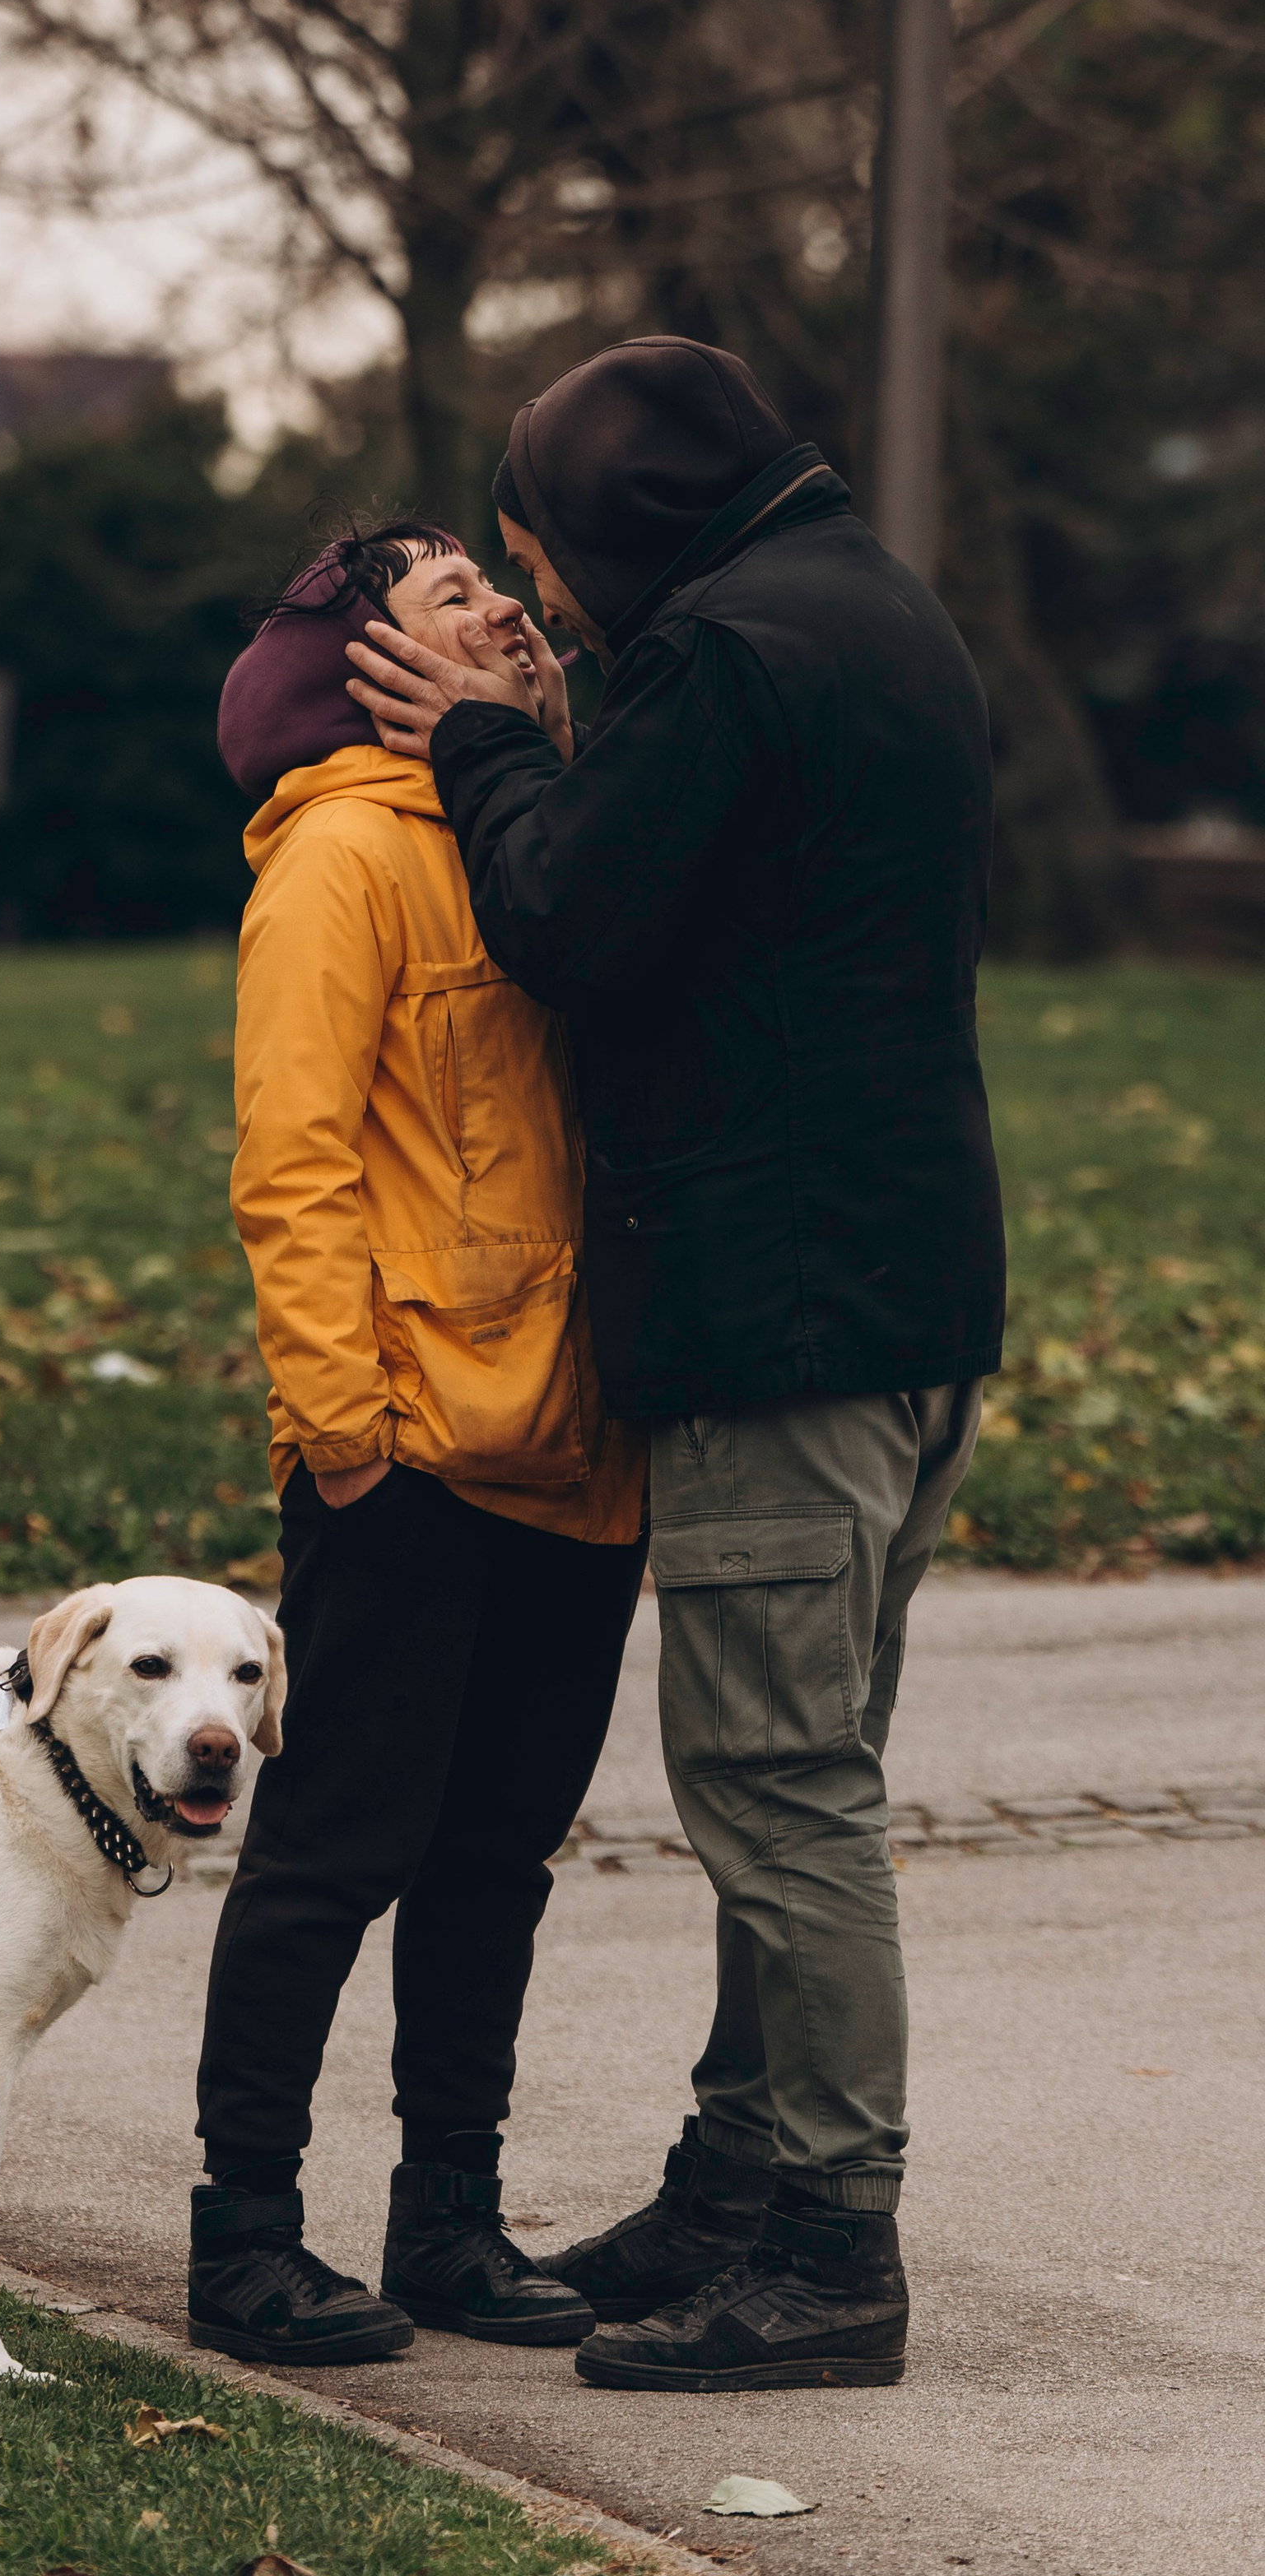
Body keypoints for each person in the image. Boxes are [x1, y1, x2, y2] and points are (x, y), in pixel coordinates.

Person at [345, 337, 1007, 2392]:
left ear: (613, 524)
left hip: (776, 1313)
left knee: (773, 1786)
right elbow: (694, 871)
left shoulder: (721, 652)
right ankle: (734, 2183)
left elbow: (563, 911)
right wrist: (571, 724)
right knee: (794, 1762)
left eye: (537, 566)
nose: (533, 606)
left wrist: (476, 739)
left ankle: (824, 2245)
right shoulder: (863, 602)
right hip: (902, 1300)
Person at [188, 520, 648, 2370]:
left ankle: (446, 2219)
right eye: (453, 594)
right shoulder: (339, 856)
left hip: (583, 1442)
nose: (506, 608)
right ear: (365, 664)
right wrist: (340, 1431)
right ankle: (244, 2236)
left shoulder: (562, 829)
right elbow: (288, 1160)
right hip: (413, 1443)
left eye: (506, 589)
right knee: (329, 1849)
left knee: (498, 1855)